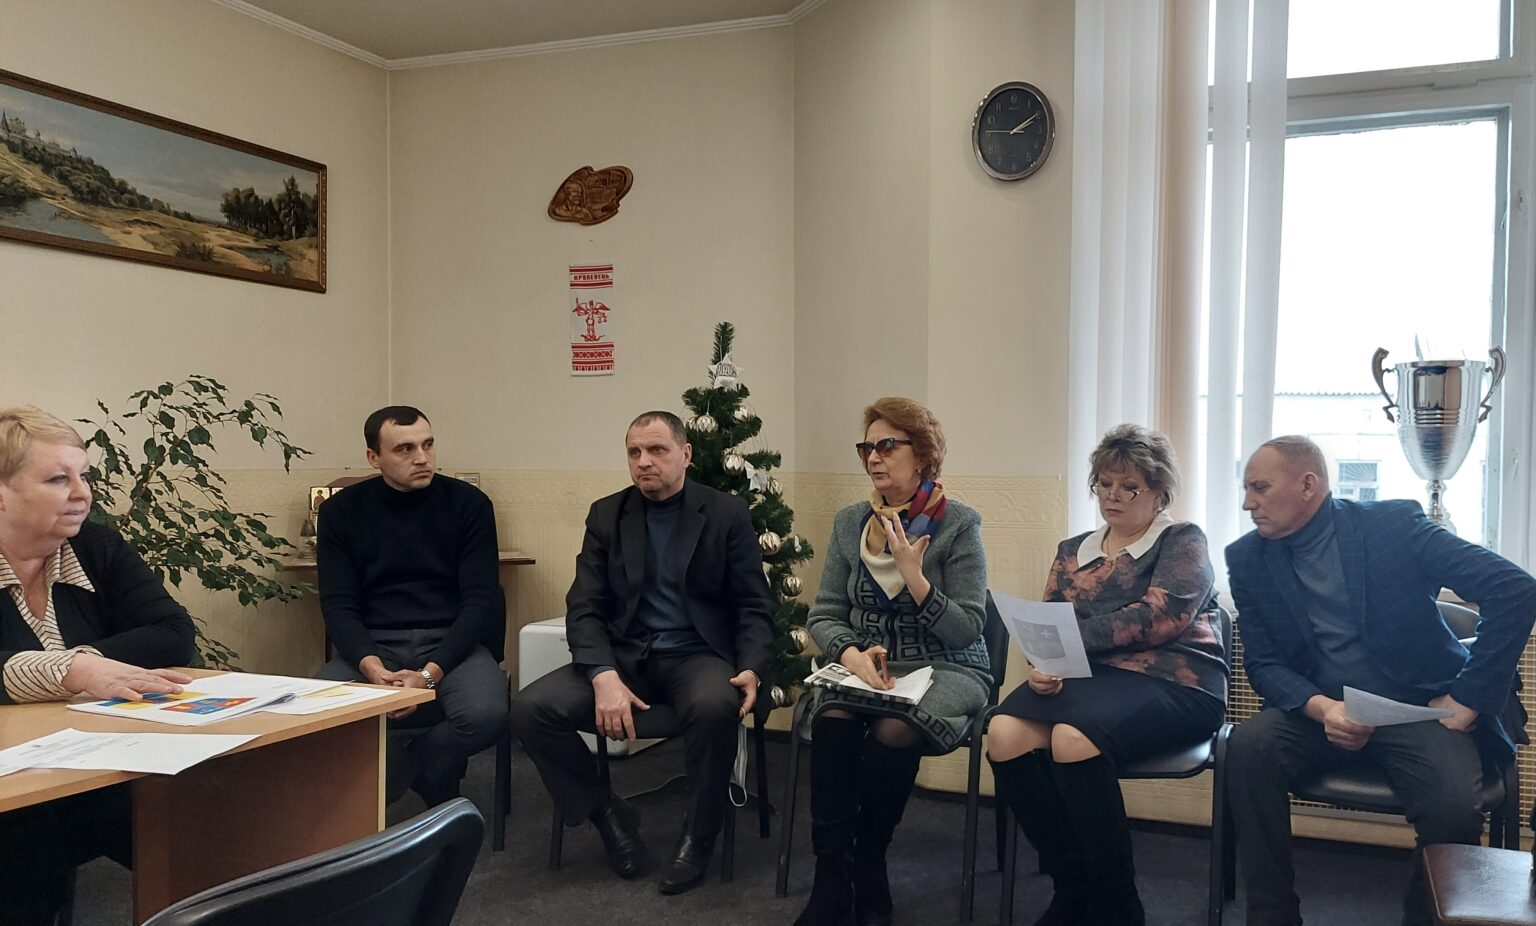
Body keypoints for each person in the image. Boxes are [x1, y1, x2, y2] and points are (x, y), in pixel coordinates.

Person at [1225, 435, 1536, 926]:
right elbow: (1264, 664)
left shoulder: (1392, 526)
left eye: (1259, 488)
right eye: (1245, 489)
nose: (1247, 503)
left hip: (1418, 708)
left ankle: (1425, 919)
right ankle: (1272, 916)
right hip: (1324, 712)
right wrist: (1322, 708)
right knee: (1246, 748)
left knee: (1454, 805)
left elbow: (1515, 589)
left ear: (1308, 485)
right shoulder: (1247, 558)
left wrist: (1470, 697)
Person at [509, 410, 773, 895]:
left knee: (715, 706)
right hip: (624, 656)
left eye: (657, 450)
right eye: (634, 452)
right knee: (531, 709)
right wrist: (603, 674)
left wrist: (752, 667)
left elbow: (754, 605)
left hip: (697, 655)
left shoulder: (725, 513)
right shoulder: (607, 514)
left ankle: (700, 835)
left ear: (685, 454)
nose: (644, 462)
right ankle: (607, 812)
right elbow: (584, 606)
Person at [986, 424, 1226, 926]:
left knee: (1072, 739)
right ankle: (1072, 884)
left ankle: (1118, 904)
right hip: (1090, 682)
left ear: (1160, 492)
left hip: (1176, 681)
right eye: (1104, 483)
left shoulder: (1182, 540)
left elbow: (1159, 618)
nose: (1112, 495)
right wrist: (1044, 666)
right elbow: (1050, 626)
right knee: (1004, 732)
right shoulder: (1072, 550)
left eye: (1129, 487)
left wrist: (1070, 638)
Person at [794, 397, 992, 926]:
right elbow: (825, 613)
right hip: (869, 665)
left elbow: (967, 628)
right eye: (867, 448)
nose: (874, 458)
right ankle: (831, 873)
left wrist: (916, 578)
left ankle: (869, 859)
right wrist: (850, 654)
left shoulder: (959, 525)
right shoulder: (850, 523)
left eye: (887, 445)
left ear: (922, 455)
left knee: (893, 729)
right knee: (833, 719)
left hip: (948, 666)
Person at [0, 406, 196, 926]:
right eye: (58, 479)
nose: (82, 494)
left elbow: (173, 632)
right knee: (28, 838)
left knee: (195, 812)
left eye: (84, 476)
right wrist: (71, 673)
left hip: (93, 760)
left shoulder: (96, 546)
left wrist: (86, 661)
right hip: (15, 782)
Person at [317, 405, 506, 807]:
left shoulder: (469, 504)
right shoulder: (340, 512)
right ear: (374, 457)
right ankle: (426, 775)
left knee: (486, 714)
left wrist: (429, 675)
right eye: (405, 449)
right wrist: (372, 668)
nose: (422, 458)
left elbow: (480, 601)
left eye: (428, 445)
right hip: (374, 644)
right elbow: (338, 605)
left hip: (451, 644)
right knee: (318, 714)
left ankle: (418, 766)